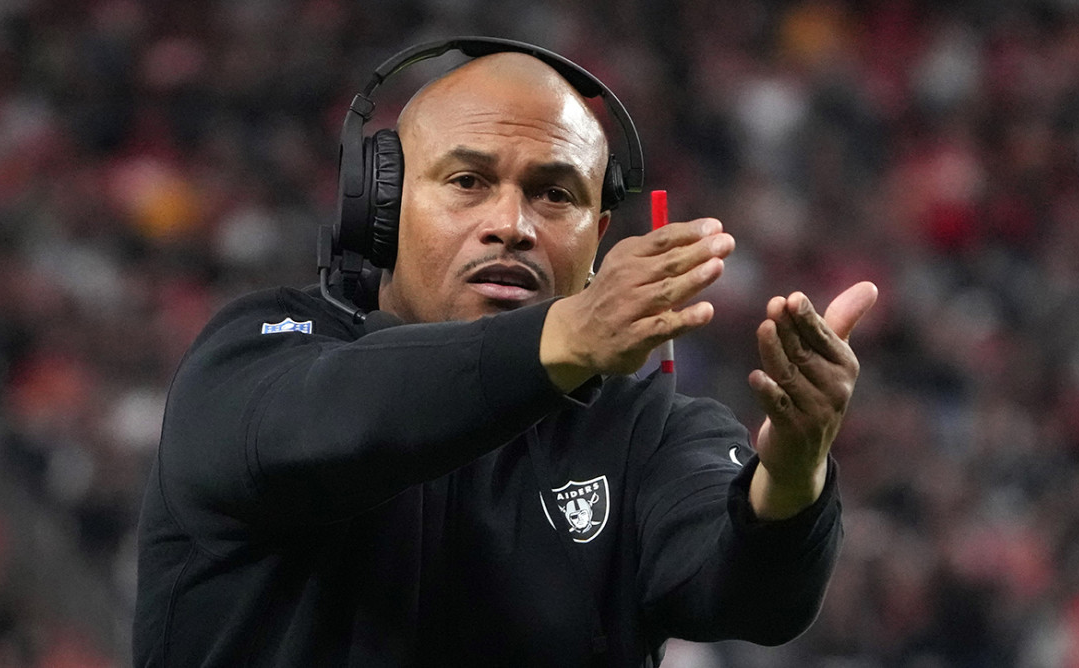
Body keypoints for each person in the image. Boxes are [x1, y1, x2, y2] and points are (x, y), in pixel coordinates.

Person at [133, 41, 878, 667]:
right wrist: (569, 338)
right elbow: (338, 417)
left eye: (554, 195)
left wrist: (793, 473)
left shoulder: (645, 431)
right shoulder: (253, 356)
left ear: (599, 232)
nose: (512, 225)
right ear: (380, 206)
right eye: (468, 182)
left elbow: (753, 598)